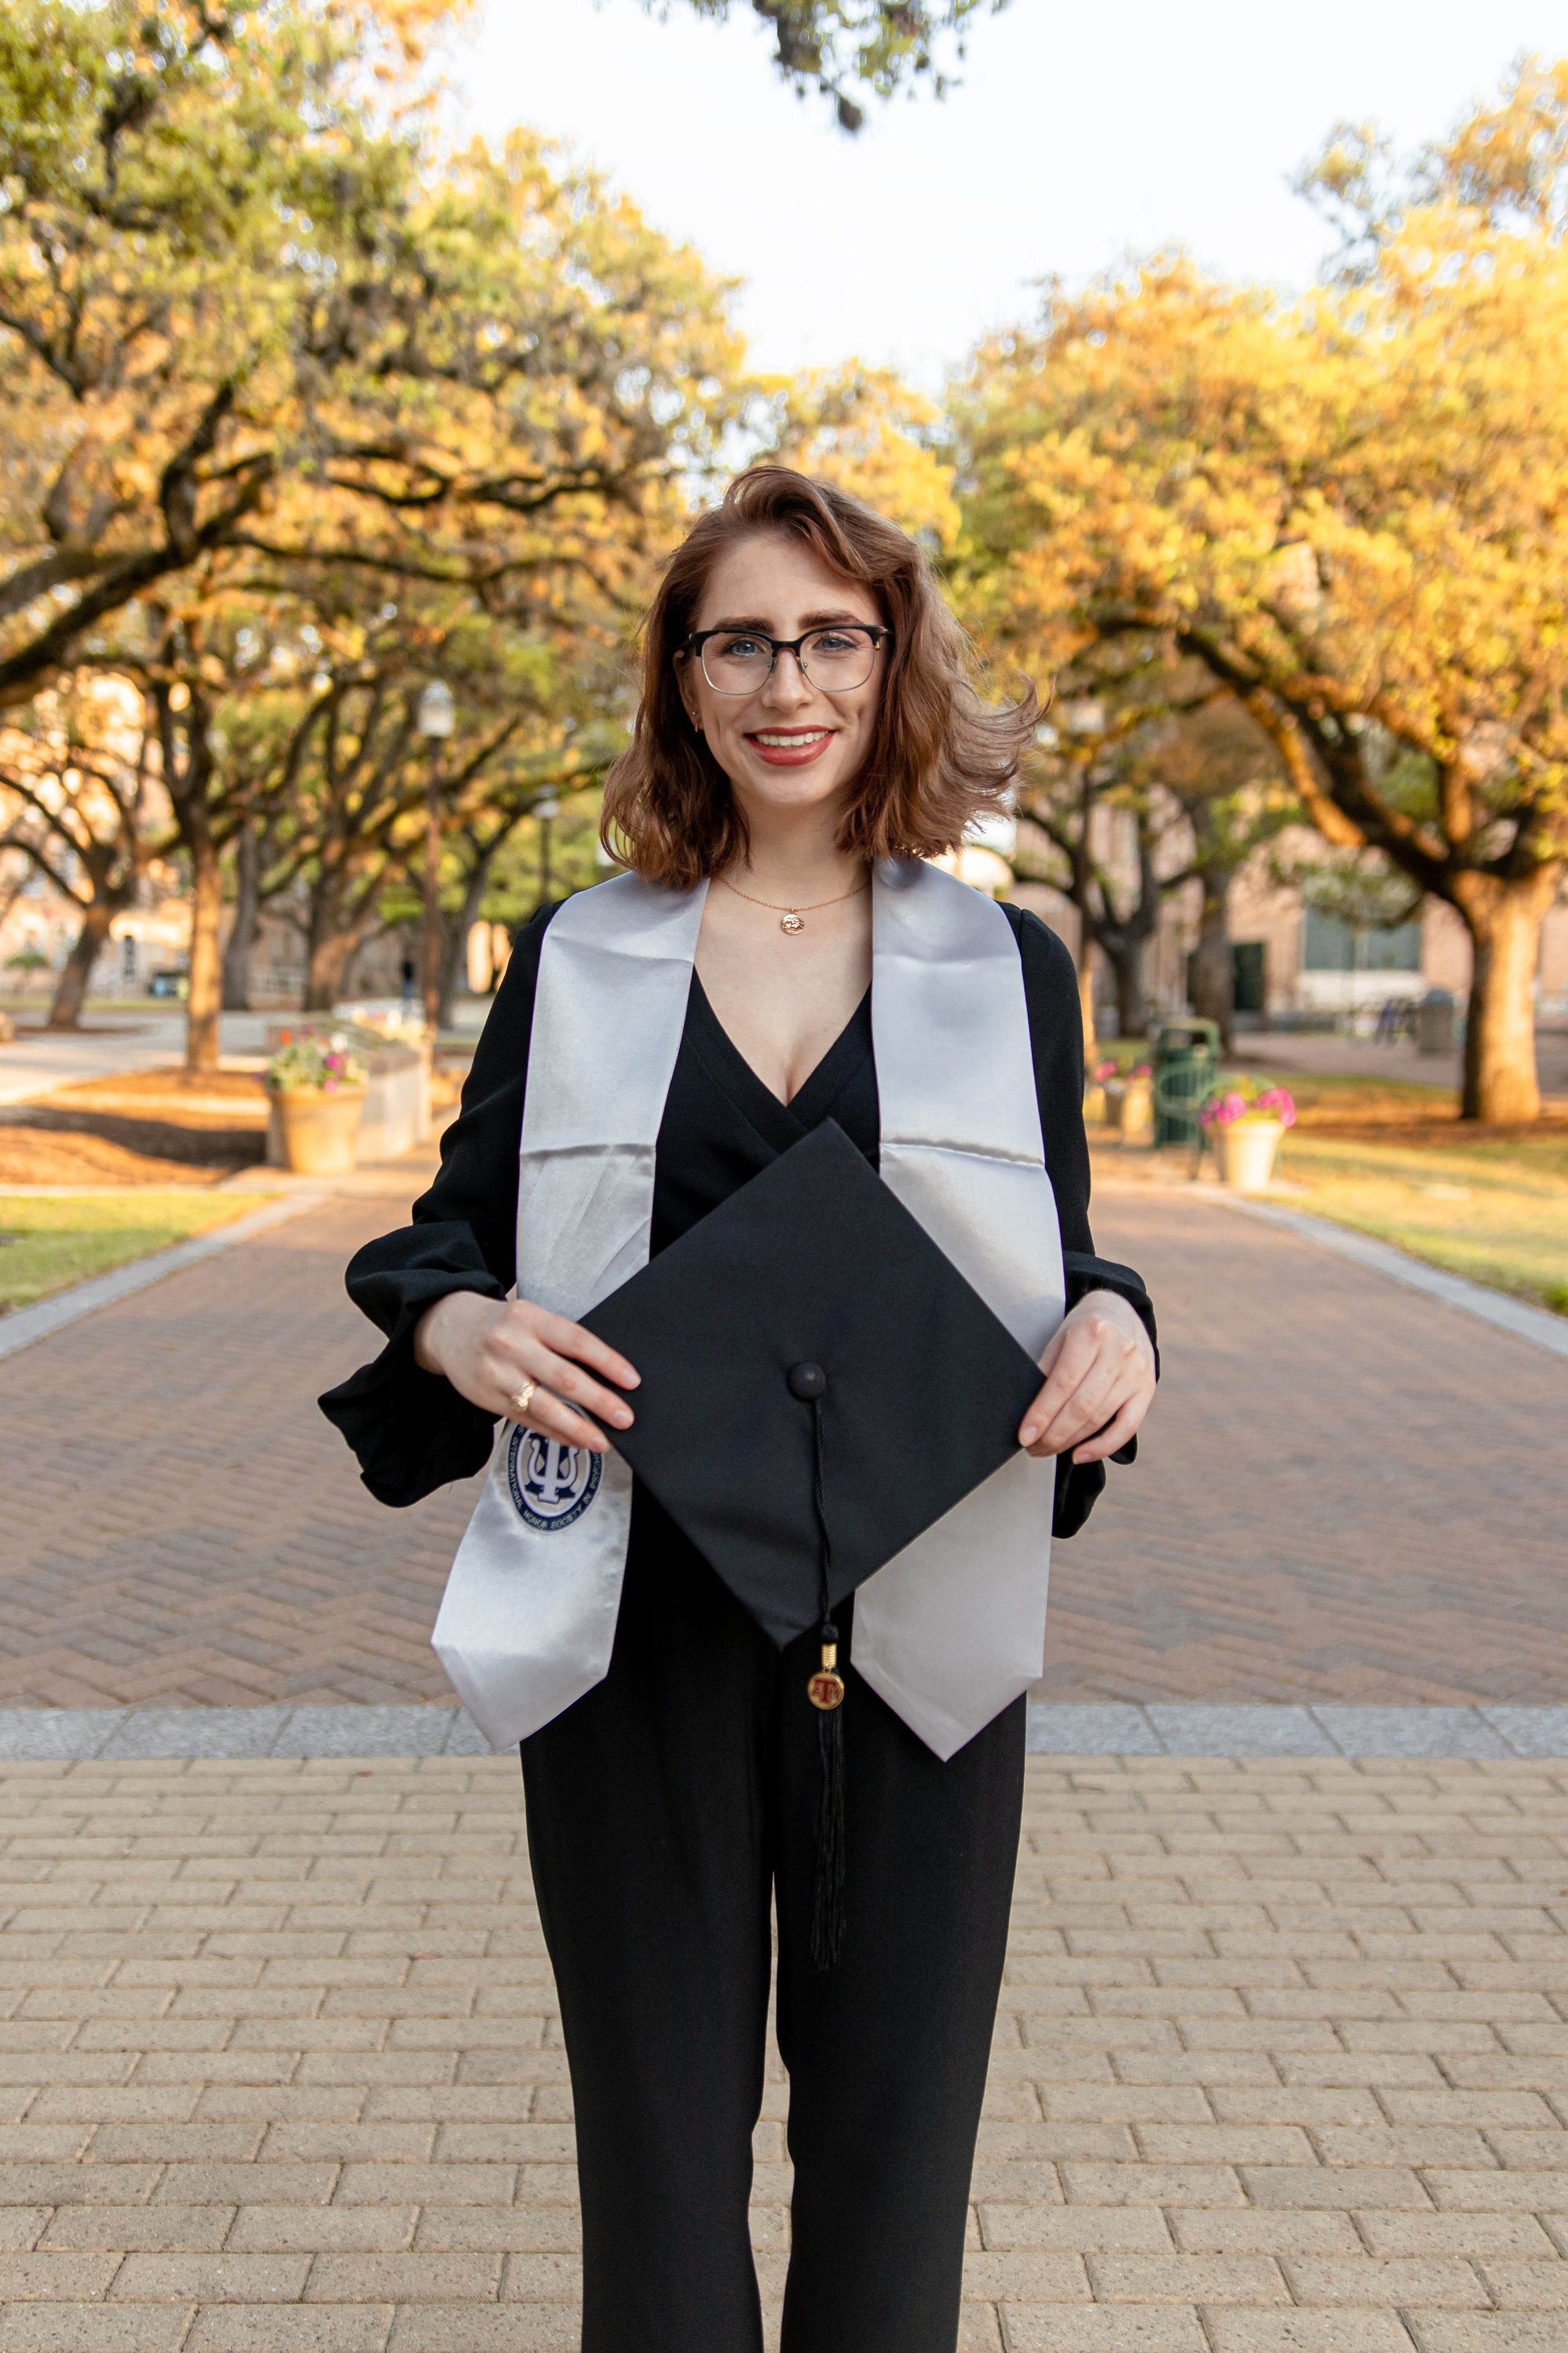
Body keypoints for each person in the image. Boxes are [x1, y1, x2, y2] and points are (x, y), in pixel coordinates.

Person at [322, 469, 1158, 2353]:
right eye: (742, 641)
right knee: (659, 2163)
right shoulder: (585, 949)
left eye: (831, 636)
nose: (790, 680)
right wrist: (459, 1326)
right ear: (684, 681)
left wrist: (1121, 1328)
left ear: (893, 659)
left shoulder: (1006, 964)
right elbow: (449, 1231)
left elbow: (1065, 1263)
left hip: (921, 1631)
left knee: (893, 2163)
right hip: (633, 1629)